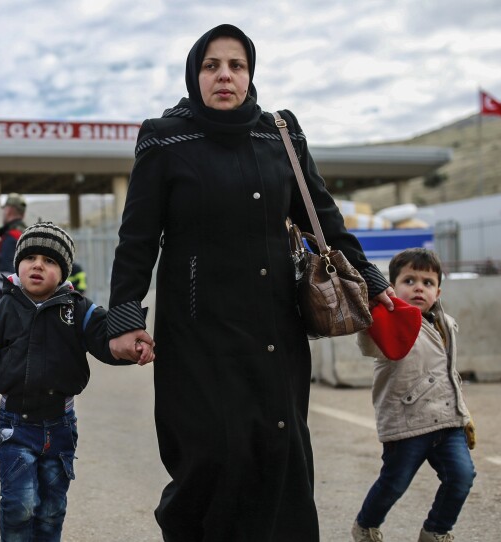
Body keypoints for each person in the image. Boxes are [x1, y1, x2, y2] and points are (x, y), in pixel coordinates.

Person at [106, 24, 393, 541]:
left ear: (250, 74)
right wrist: (125, 315)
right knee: (212, 453)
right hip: (198, 333)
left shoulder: (279, 133)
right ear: (195, 75)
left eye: (235, 65)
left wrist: (371, 281)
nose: (224, 76)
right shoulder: (165, 138)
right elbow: (138, 237)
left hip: (274, 331)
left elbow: (323, 220)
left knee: (279, 447)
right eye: (211, 65)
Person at [0, 222, 153, 541]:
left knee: (52, 509)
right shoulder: (1, 312)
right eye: (31, 258)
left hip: (61, 426)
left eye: (50, 261)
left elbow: (106, 337)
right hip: (15, 425)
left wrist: (130, 345)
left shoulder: (77, 309)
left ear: (64, 271)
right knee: (20, 504)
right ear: (19, 265)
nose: (38, 265)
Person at [351, 248, 476, 542]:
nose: (419, 287)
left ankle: (435, 531)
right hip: (406, 423)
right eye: (409, 281)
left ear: (438, 291)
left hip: (448, 422)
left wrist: (464, 416)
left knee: (461, 476)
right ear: (391, 288)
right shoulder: (385, 321)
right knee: (394, 483)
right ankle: (365, 526)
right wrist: (369, 315)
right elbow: (370, 347)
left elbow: (449, 377)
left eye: (427, 283)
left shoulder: (447, 324)